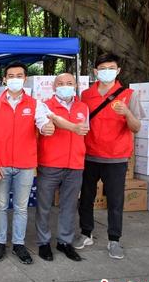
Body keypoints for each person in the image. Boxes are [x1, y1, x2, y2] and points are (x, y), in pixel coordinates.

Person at [0, 62, 56, 265]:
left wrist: (47, 127)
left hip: (25, 165)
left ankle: (18, 244)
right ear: (5, 79)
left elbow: (42, 122)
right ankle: (0, 242)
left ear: (25, 79)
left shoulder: (35, 104)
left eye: (19, 75)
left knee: (21, 207)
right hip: (1, 164)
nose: (14, 78)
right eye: (10, 75)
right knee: (0, 206)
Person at [77, 54, 142, 259]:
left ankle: (114, 239)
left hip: (116, 158)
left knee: (115, 200)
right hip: (89, 155)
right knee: (86, 197)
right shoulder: (86, 95)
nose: (107, 71)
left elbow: (137, 127)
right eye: (102, 68)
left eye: (111, 68)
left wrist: (127, 113)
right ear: (96, 72)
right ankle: (86, 233)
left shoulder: (129, 95)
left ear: (118, 71)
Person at [35, 73, 89, 262]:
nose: (65, 86)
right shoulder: (44, 105)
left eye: (69, 83)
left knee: (69, 205)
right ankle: (43, 242)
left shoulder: (83, 107)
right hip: (50, 163)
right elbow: (45, 125)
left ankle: (65, 241)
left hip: (75, 164)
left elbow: (85, 132)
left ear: (75, 85)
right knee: (44, 206)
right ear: (53, 86)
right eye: (60, 83)